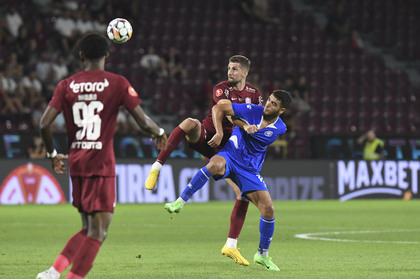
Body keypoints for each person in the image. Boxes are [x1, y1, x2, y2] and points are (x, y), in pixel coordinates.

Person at [36, 33, 168, 279]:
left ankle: (53, 271)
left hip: (76, 163)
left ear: (81, 56)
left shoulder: (66, 85)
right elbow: (142, 120)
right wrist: (159, 131)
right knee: (100, 232)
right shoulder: (117, 83)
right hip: (101, 163)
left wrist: (52, 153)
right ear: (107, 56)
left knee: (88, 228)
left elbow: (44, 124)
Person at [145, 55, 264, 266]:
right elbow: (225, 113)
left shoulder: (255, 94)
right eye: (229, 68)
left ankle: (231, 245)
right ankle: (156, 167)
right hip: (208, 136)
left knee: (242, 194)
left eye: (235, 69)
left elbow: (260, 120)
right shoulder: (221, 88)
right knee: (190, 123)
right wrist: (220, 132)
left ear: (245, 73)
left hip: (229, 151)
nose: (230, 72)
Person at [165, 90, 292, 271]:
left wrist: (240, 124)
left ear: (282, 110)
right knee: (214, 164)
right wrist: (229, 127)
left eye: (273, 104)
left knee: (269, 209)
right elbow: (220, 107)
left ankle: (262, 255)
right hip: (231, 155)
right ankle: (180, 201)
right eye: (269, 100)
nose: (268, 105)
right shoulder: (253, 109)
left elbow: (251, 133)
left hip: (249, 169)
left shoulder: (280, 128)